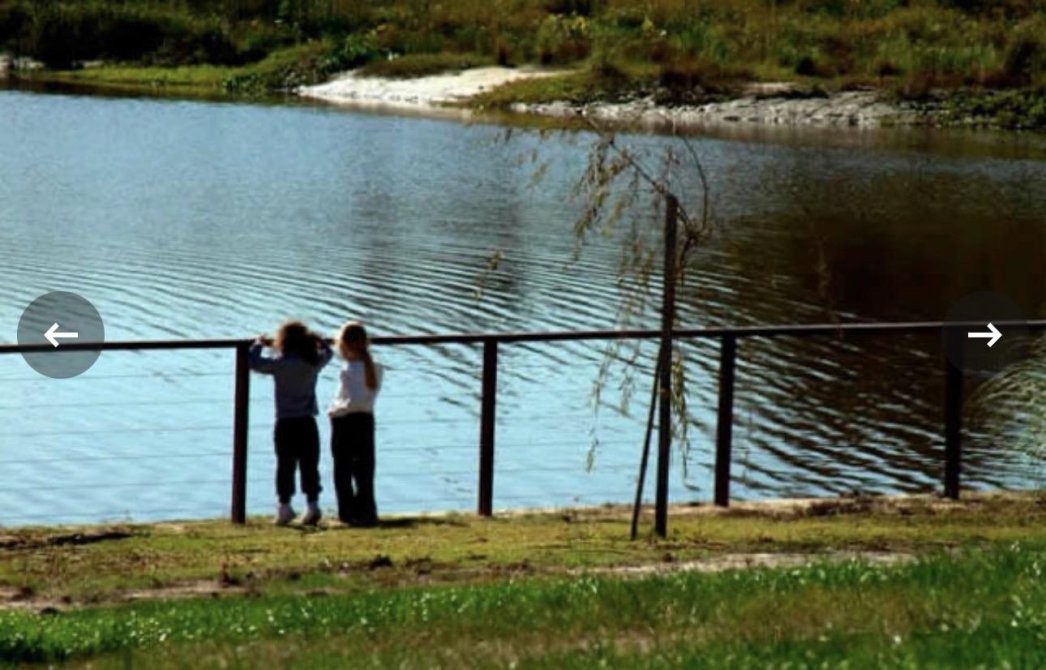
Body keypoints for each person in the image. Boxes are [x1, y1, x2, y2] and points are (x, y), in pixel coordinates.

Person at [249, 320, 333, 526]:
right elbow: (329, 353)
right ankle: (313, 504)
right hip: (307, 421)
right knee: (309, 465)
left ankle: (284, 506)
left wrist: (258, 344)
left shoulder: (279, 365)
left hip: (285, 421)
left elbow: (253, 362)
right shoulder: (312, 364)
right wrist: (320, 341)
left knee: (285, 465)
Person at [328, 321, 383, 526]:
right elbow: (363, 398)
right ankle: (367, 511)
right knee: (365, 469)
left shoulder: (348, 369)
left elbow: (348, 399)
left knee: (342, 469)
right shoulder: (377, 368)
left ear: (344, 345)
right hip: (366, 419)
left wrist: (334, 411)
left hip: (345, 421)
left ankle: (347, 512)